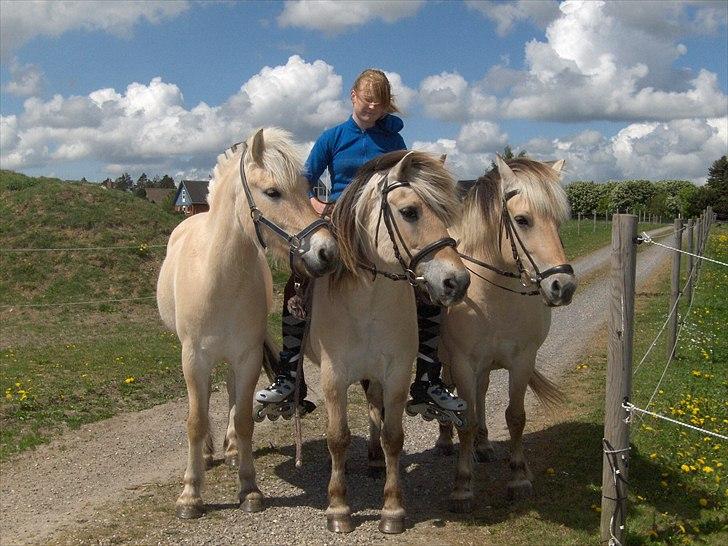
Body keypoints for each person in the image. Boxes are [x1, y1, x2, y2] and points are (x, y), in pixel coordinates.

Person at [254, 69, 466, 425]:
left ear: (385, 106)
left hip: (382, 224)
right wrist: (315, 206)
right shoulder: (333, 137)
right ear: (352, 96)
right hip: (340, 220)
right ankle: (289, 375)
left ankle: (427, 380)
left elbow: (405, 184)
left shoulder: (395, 144)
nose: (370, 107)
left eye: (378, 102)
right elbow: (304, 178)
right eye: (365, 99)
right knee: (299, 282)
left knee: (424, 292)